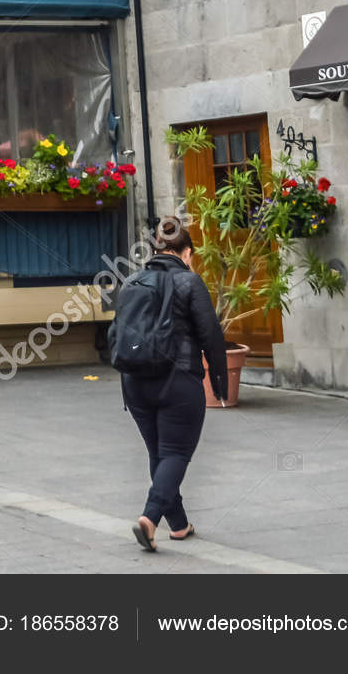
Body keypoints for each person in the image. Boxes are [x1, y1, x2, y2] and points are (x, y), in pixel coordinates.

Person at [122, 216, 228, 553]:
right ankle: (149, 519)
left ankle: (179, 525)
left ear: (156, 250)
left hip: (134, 382)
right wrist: (220, 380)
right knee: (176, 453)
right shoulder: (190, 281)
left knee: (159, 453)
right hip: (178, 380)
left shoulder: (132, 282)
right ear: (187, 253)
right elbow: (210, 335)